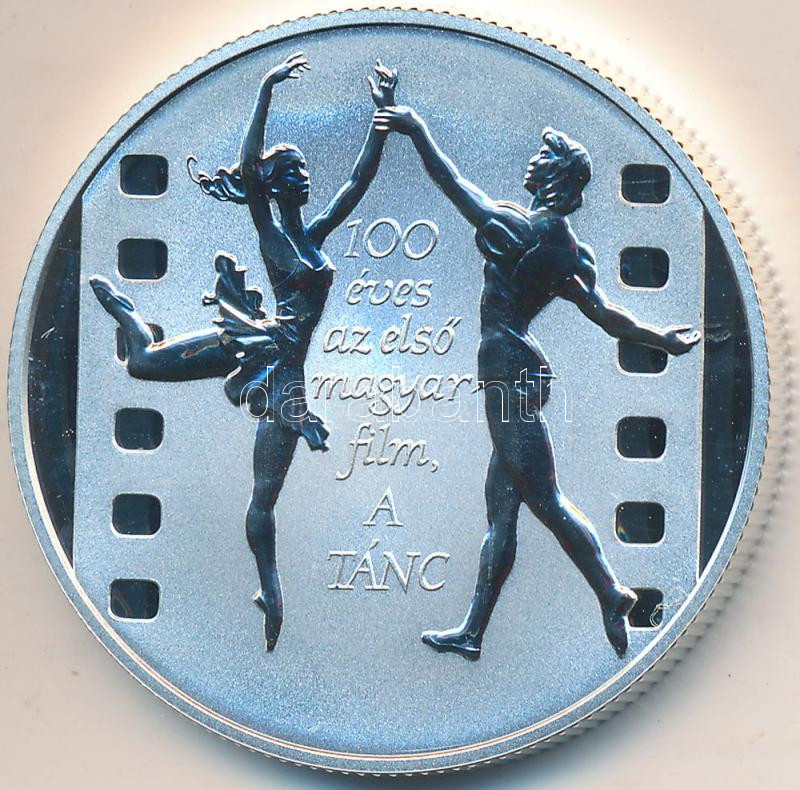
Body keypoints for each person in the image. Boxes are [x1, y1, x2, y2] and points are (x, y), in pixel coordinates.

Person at [90, 53, 398, 650]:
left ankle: (269, 591)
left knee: (265, 494)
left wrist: (381, 117)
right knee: (143, 363)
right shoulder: (271, 232)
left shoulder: (312, 235)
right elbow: (251, 170)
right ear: (276, 186)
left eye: (305, 171)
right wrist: (264, 89)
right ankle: (127, 314)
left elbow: (357, 183)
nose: (305, 179)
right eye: (295, 172)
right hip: (254, 346)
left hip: (287, 371)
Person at [373, 106, 701, 660]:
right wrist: (660, 340)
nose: (532, 160)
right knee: (502, 514)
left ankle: (611, 591)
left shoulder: (519, 230)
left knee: (544, 500)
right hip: (516, 369)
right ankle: (474, 634)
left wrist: (417, 130)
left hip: (506, 371)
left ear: (556, 176)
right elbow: (607, 315)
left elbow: (454, 186)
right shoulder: (567, 249)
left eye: (543, 156)